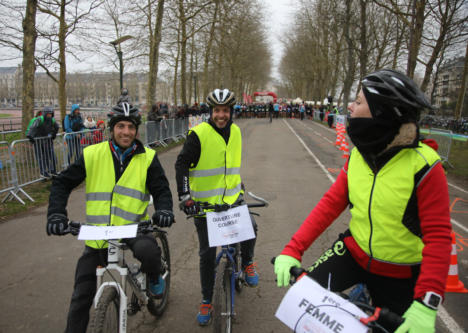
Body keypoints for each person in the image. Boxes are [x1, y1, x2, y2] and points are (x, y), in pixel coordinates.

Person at [274, 69, 452, 332]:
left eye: (358, 102)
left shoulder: (425, 166)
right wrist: (293, 249)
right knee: (303, 304)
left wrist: (428, 301)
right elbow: (330, 204)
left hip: (401, 274)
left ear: (380, 113)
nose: (350, 106)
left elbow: (439, 237)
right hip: (353, 253)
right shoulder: (359, 154)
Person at [46, 102, 174, 333]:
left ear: (137, 130)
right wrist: (56, 213)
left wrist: (164, 210)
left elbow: (161, 189)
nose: (126, 132)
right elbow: (62, 183)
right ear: (112, 128)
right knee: (81, 295)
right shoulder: (92, 154)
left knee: (149, 253)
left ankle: (154, 277)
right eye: (121, 126)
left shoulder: (148, 158)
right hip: (99, 234)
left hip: (135, 228)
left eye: (131, 127)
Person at [175, 88, 259, 326]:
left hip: (232, 199)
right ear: (210, 112)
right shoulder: (198, 134)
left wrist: (237, 186)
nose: (221, 115)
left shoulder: (236, 131)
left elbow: (229, 165)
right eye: (216, 111)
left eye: (225, 110)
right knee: (206, 254)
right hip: (205, 205)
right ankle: (206, 301)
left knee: (251, 226)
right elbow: (181, 165)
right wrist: (185, 196)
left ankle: (248, 263)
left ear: (231, 112)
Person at [26, 106, 59, 178]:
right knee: (40, 157)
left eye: (51, 114)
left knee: (50, 156)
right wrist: (31, 138)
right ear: (44, 114)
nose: (49, 116)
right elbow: (32, 128)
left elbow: (56, 127)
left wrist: (53, 135)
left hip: (47, 141)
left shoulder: (52, 120)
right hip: (38, 141)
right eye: (48, 114)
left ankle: (52, 170)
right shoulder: (39, 119)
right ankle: (43, 172)